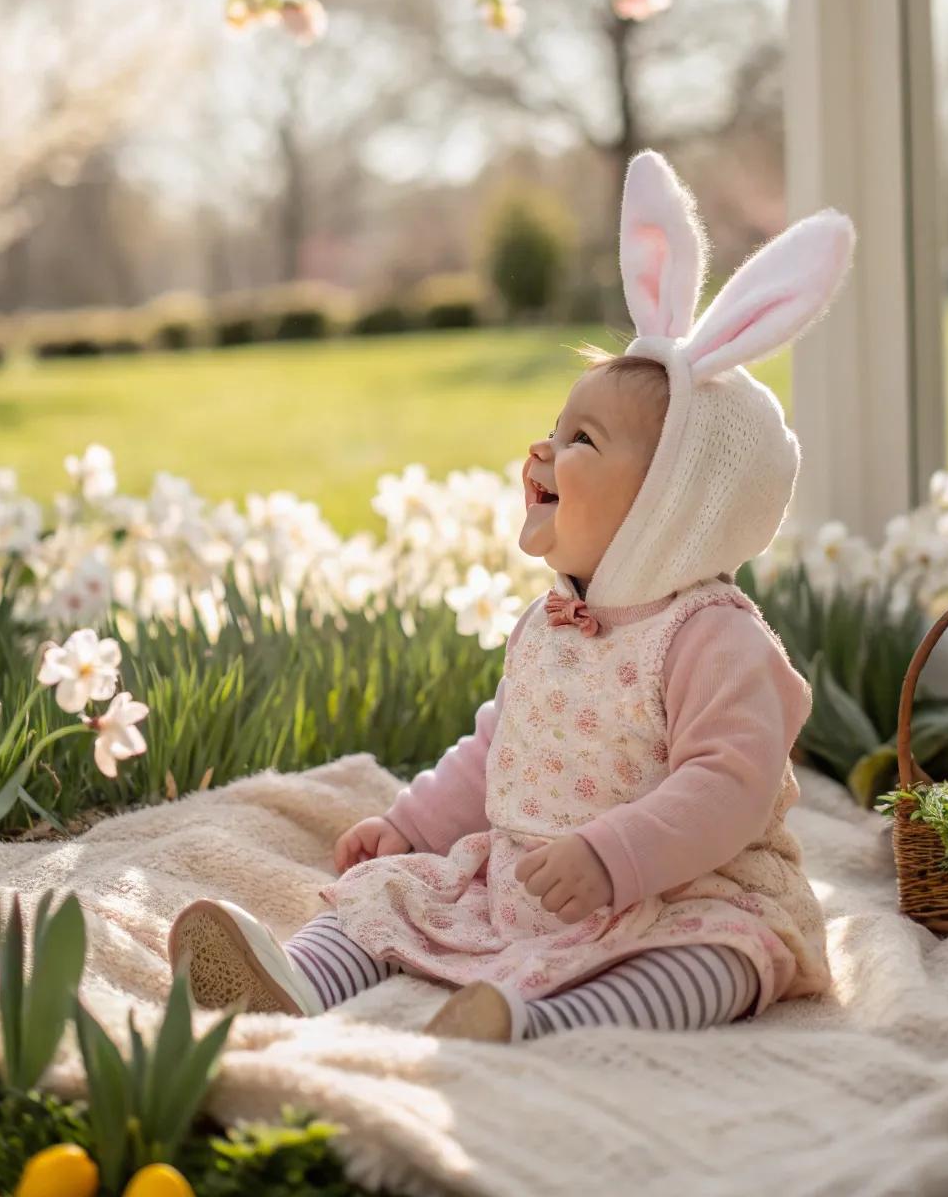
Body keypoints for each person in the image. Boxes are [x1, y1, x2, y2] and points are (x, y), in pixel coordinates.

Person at [169, 149, 854, 1043]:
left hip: (679, 887)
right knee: (392, 893)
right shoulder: (551, 622)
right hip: (526, 880)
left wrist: (617, 857)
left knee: (720, 959)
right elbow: (502, 745)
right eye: (552, 428)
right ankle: (296, 978)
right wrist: (411, 824)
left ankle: (540, 1020)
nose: (541, 451)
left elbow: (729, 782)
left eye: (581, 439)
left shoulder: (710, 637)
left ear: (671, 506)